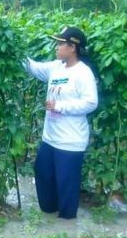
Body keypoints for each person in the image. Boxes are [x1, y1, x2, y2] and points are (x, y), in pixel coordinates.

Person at [25, 26, 98, 219]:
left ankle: (67, 228)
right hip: (50, 138)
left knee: (67, 185)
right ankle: (49, 216)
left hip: (70, 140)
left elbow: (91, 103)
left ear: (72, 47)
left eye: (59, 44)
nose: (56, 47)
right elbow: (33, 68)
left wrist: (60, 106)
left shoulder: (83, 73)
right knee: (43, 175)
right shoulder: (56, 67)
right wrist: (13, 51)